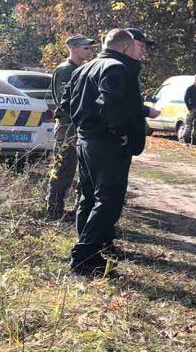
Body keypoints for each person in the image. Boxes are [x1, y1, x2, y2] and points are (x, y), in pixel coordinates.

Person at [62, 28, 160, 276]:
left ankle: (91, 251)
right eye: (137, 47)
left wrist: (85, 122)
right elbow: (112, 103)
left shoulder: (84, 68)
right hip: (107, 143)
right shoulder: (116, 68)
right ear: (125, 47)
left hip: (86, 139)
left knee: (88, 197)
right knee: (108, 200)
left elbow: (65, 102)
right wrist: (119, 132)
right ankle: (84, 256)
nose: (142, 51)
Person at [46, 34, 96, 221]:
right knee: (63, 168)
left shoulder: (83, 69)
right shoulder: (66, 70)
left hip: (82, 126)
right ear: (74, 48)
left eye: (90, 48)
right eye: (86, 48)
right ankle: (54, 209)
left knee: (85, 168)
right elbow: (65, 102)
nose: (89, 51)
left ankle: (80, 209)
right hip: (68, 126)